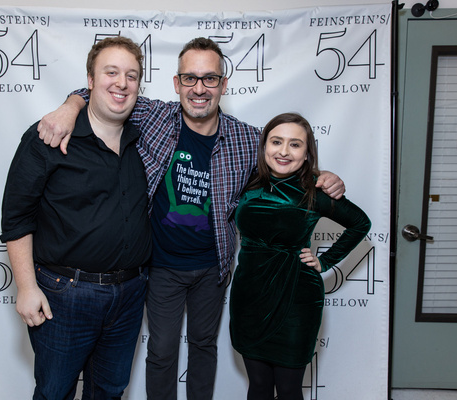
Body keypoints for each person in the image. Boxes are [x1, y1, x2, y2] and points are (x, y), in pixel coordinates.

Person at [37, 38, 345, 400]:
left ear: (223, 85)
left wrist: (324, 177)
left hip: (212, 268)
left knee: (204, 347)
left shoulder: (247, 139)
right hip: (161, 266)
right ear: (176, 83)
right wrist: (69, 106)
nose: (199, 88)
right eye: (190, 78)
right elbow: (99, 92)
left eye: (210, 79)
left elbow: (285, 161)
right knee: (162, 351)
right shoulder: (151, 117)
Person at [0, 37, 150, 400]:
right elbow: (16, 216)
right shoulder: (49, 136)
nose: (122, 83)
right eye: (111, 72)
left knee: (110, 391)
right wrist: (26, 287)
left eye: (131, 75)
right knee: (55, 392)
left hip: (130, 294)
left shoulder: (144, 137)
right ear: (90, 80)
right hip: (65, 295)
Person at [229, 113, 371, 400]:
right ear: (264, 146)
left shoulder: (315, 190)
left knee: (289, 389)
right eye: (276, 141)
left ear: (307, 153)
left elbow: (360, 223)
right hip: (249, 297)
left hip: (296, 299)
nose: (283, 151)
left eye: (295, 145)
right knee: (257, 386)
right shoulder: (249, 181)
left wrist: (326, 261)